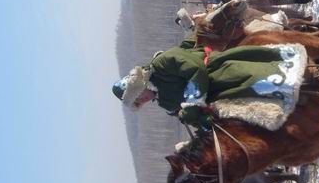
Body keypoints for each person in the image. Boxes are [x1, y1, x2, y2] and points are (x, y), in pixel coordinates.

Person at [112, 43, 308, 130]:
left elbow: (195, 69)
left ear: (140, 86)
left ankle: (306, 79)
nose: (143, 101)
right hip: (215, 99)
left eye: (139, 96)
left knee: (257, 79)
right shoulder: (164, 103)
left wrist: (192, 103)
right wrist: (203, 122)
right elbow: (193, 116)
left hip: (215, 74)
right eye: (139, 103)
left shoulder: (162, 63)